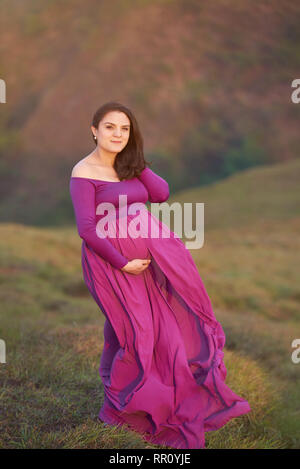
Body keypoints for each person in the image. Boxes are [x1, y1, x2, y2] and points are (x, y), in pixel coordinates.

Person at [69, 101, 251, 449]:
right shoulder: (84, 172)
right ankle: (122, 410)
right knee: (135, 332)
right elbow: (87, 229)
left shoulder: (128, 165)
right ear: (94, 130)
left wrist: (136, 160)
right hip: (112, 265)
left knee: (154, 328)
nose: (117, 134)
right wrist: (122, 262)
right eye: (110, 127)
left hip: (153, 263)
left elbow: (161, 194)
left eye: (125, 129)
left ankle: (126, 406)